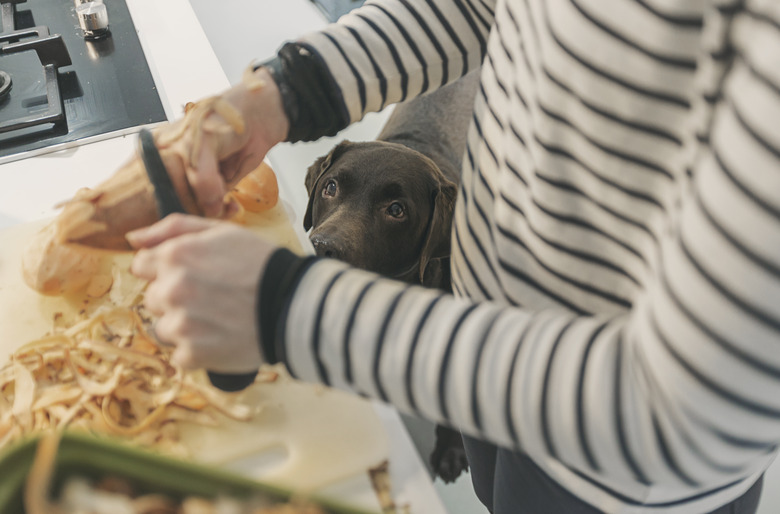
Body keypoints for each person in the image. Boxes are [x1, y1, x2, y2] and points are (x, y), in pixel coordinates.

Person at [126, 1, 779, 512]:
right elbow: (480, 8)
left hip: (616, 479)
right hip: (486, 371)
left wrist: (285, 311)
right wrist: (285, 92)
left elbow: (680, 417)